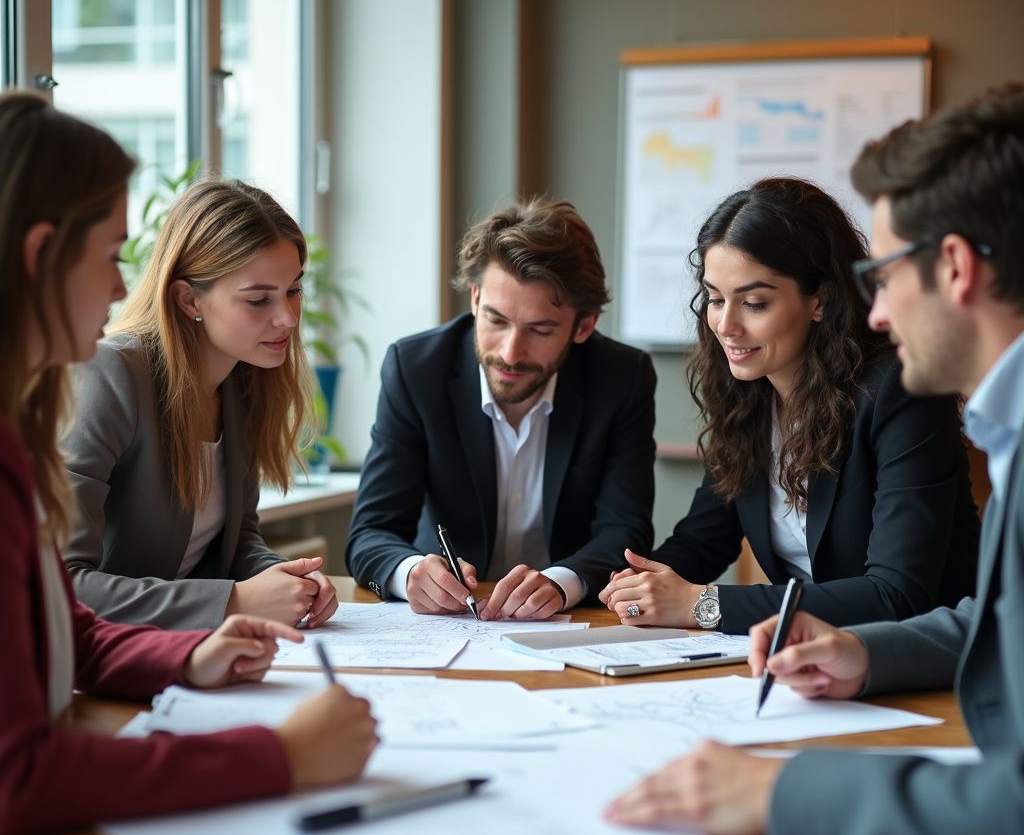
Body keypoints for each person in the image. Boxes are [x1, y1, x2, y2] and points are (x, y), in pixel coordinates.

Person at [605, 82, 1024, 835]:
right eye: (716, 300)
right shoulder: (1004, 429)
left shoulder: (902, 396)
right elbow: (987, 619)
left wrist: (780, 789)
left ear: (954, 268)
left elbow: (905, 588)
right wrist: (864, 655)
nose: (878, 312)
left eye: (887, 273)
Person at [0, 91, 377, 835]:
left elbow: (62, 623)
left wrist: (195, 649)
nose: (118, 287)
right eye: (109, 255)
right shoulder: (107, 378)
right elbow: (19, 776)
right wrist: (278, 751)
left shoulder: (233, 388)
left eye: (293, 293)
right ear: (41, 254)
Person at [599, 177, 979, 633]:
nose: (725, 325)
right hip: (811, 664)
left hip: (925, 668)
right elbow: (703, 542)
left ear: (819, 300)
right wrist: (637, 583)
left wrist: (703, 604)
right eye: (715, 299)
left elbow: (895, 594)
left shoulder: (901, 391)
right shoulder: (748, 394)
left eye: (754, 303)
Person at [346, 196, 656, 619]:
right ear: (474, 299)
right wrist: (411, 572)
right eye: (495, 320)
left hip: (568, 622)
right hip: (447, 623)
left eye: (540, 329)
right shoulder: (416, 370)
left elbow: (625, 531)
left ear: (583, 326)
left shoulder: (621, 376)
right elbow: (371, 532)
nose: (511, 352)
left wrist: (563, 580)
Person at [61, 178, 339, 630]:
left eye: (294, 291)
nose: (287, 317)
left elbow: (234, 541)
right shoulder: (110, 374)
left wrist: (281, 579)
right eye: (258, 299)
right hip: (98, 664)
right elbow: (60, 584)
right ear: (189, 298)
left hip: (184, 651)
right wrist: (234, 601)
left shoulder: (243, 381)